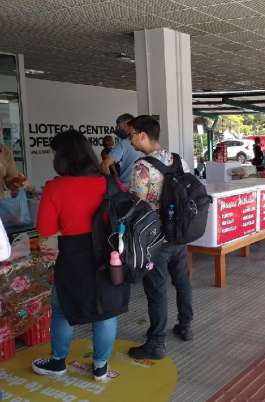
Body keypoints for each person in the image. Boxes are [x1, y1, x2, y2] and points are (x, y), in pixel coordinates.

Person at [32, 130, 130, 381]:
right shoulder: (109, 181)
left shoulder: (55, 187)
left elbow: (45, 229)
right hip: (110, 256)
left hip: (73, 255)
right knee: (105, 311)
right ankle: (100, 368)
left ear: (62, 158)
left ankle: (57, 362)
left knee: (63, 308)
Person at [127, 116, 194, 360]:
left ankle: (156, 342)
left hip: (155, 238)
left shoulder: (141, 167)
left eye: (132, 134)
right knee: (182, 280)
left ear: (143, 135)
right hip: (179, 232)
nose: (130, 139)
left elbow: (137, 204)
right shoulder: (178, 160)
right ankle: (185, 326)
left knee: (156, 288)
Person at [100, 113, 143, 189]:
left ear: (127, 125)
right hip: (144, 187)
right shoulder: (145, 140)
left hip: (126, 188)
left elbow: (105, 165)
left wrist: (111, 182)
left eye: (120, 127)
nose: (118, 130)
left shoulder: (123, 143)